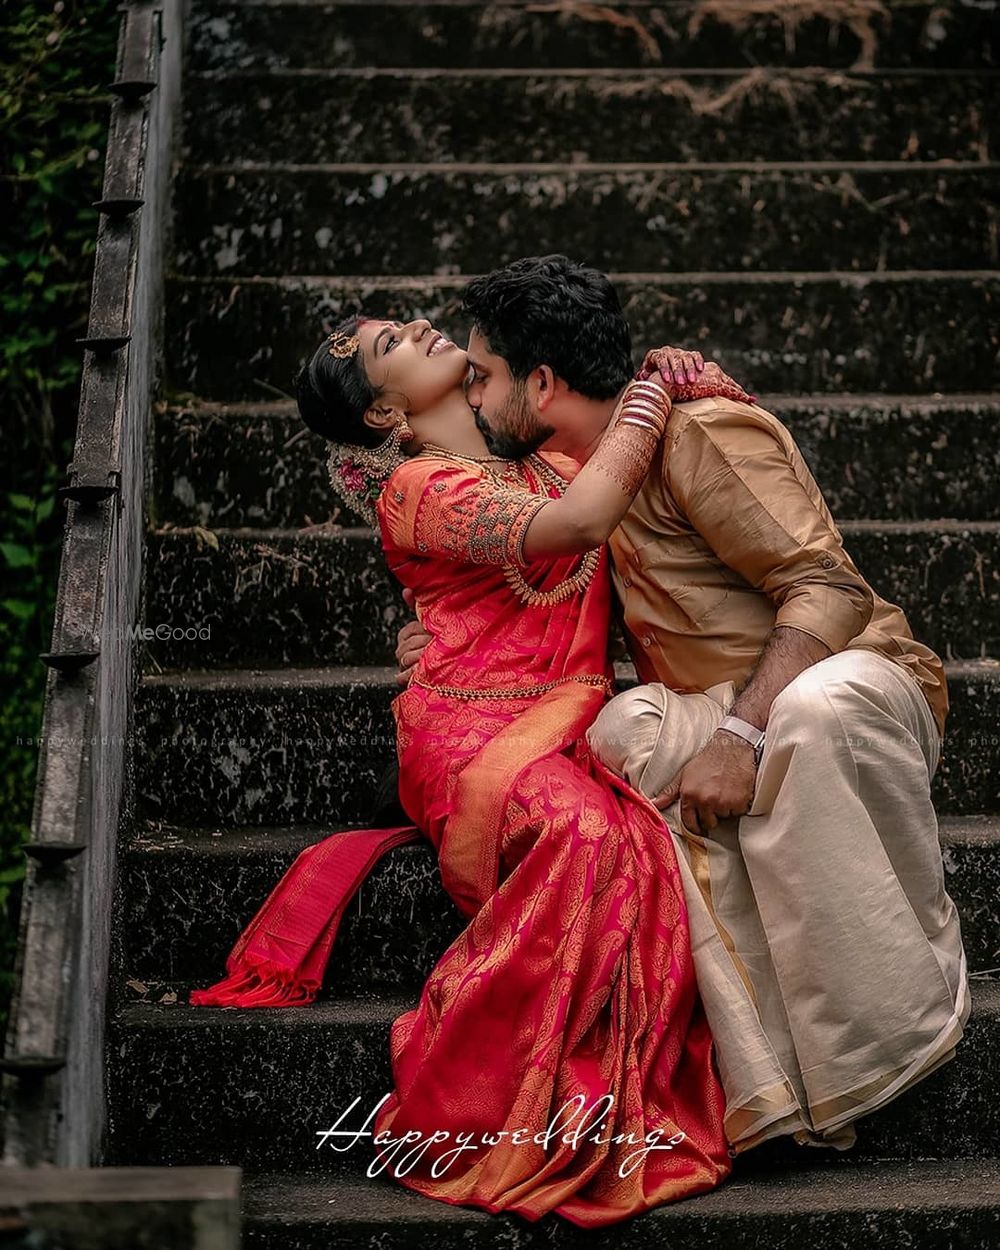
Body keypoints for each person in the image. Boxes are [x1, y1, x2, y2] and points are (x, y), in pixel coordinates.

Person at [188, 306, 759, 1227]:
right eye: (389, 345)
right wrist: (648, 397)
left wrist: (684, 374)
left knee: (638, 842)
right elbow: (577, 524)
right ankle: (482, 1101)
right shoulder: (418, 487)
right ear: (384, 415)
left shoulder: (541, 459)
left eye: (405, 319)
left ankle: (612, 1098)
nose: (417, 322)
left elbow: (663, 462)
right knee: (586, 834)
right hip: (465, 732)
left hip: (569, 719)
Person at [397, 255, 970, 1158]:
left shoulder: (701, 431)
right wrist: (436, 640)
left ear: (542, 383)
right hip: (723, 705)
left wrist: (742, 735)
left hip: (857, 678)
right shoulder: (580, 473)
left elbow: (830, 588)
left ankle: (888, 1036)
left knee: (808, 714)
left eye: (483, 375)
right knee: (626, 735)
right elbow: (508, 581)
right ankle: (772, 1083)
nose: (470, 393)